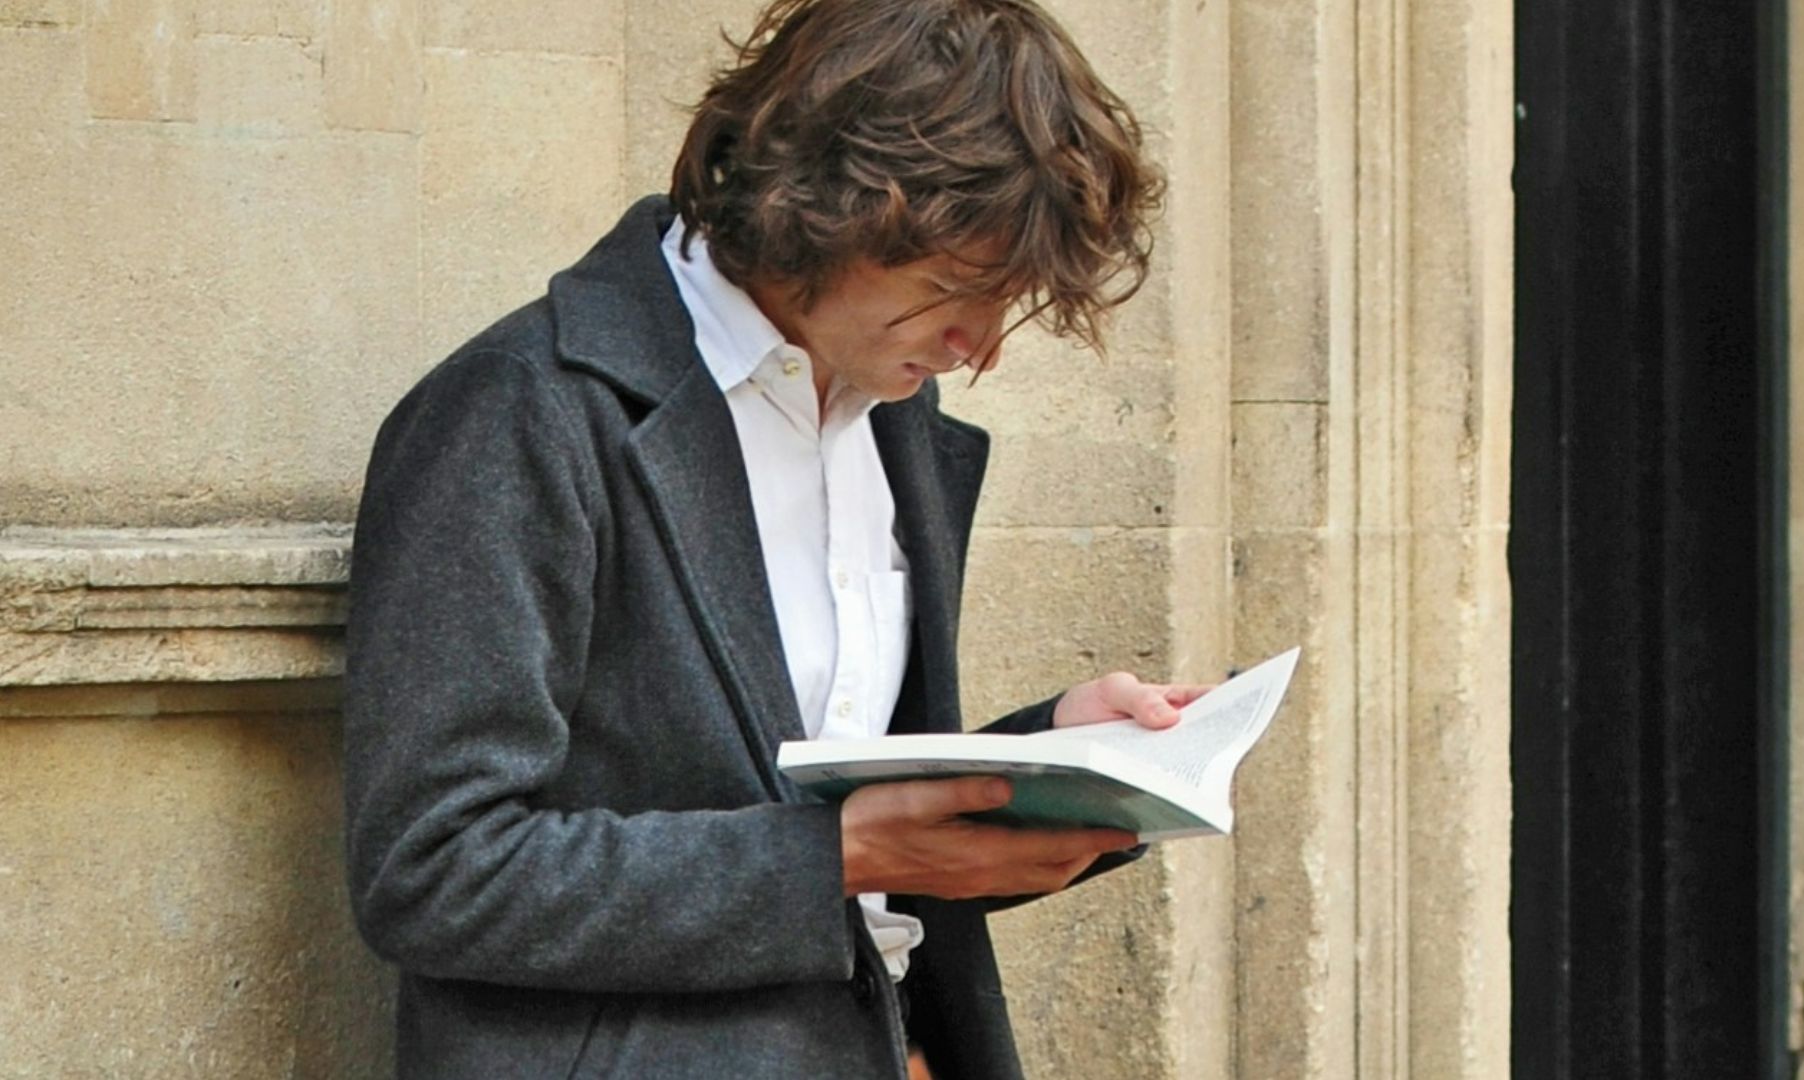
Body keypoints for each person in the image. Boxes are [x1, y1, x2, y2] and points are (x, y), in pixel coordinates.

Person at [341, 1, 1198, 1076]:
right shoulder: (523, 412)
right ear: (827, 212)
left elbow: (815, 782)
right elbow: (433, 871)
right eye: (951, 293)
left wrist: (1057, 757)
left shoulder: (895, 424)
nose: (978, 349)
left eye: (1005, 304)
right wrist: (832, 860)